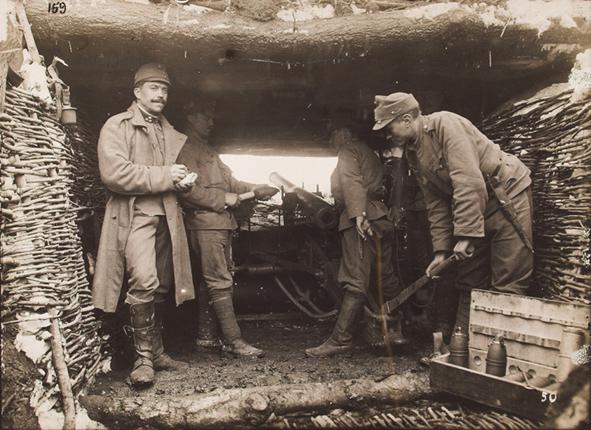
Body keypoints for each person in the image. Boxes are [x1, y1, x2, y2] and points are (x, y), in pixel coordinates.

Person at [373, 92, 533, 333]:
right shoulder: (413, 152)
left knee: (508, 279)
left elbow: (468, 181)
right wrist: (441, 251)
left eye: (388, 127)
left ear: (407, 120)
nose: (386, 134)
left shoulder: (446, 125)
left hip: (506, 197)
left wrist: (466, 235)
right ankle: (464, 351)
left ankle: (497, 357)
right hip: (475, 206)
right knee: (469, 280)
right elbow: (436, 202)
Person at [92, 63, 196, 387]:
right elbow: (115, 174)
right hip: (135, 214)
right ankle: (143, 359)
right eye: (153, 88)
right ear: (137, 92)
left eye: (164, 90)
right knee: (144, 280)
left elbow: (167, 175)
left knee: (163, 285)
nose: (160, 95)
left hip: (168, 214)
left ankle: (159, 352)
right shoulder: (116, 126)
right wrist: (166, 175)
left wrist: (182, 183)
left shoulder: (168, 131)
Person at [176, 101, 277, 357]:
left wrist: (257, 188)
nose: (212, 122)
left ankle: (207, 337)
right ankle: (234, 341)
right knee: (220, 282)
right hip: (206, 223)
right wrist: (225, 199)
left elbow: (231, 183)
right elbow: (188, 192)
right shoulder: (186, 150)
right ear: (190, 116)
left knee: (210, 281)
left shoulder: (208, 150)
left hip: (219, 224)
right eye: (206, 116)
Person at [305, 128, 406, 358]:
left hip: (360, 219)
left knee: (355, 280)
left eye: (332, 137)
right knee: (385, 276)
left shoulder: (348, 150)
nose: (331, 143)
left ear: (343, 134)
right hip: (380, 217)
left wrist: (358, 214)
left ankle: (340, 339)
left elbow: (352, 182)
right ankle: (397, 331)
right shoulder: (369, 153)